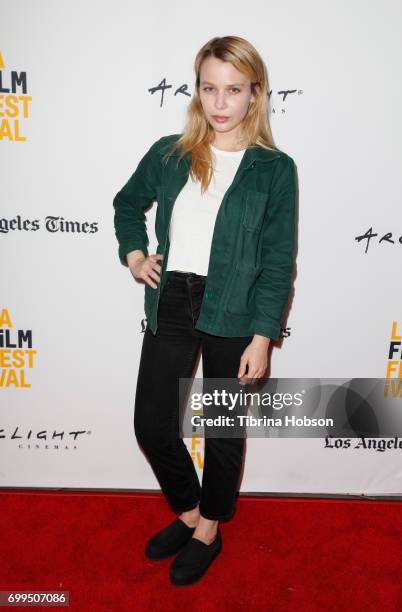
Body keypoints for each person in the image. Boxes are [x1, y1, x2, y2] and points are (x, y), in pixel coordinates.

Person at [113, 35, 297, 586]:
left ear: (255, 94)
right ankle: (190, 512)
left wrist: (264, 335)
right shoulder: (171, 152)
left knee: (220, 429)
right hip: (172, 296)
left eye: (233, 90)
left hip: (235, 308)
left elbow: (278, 256)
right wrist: (135, 253)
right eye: (209, 88)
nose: (220, 102)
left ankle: (209, 530)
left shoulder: (275, 169)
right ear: (197, 91)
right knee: (152, 423)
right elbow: (127, 203)